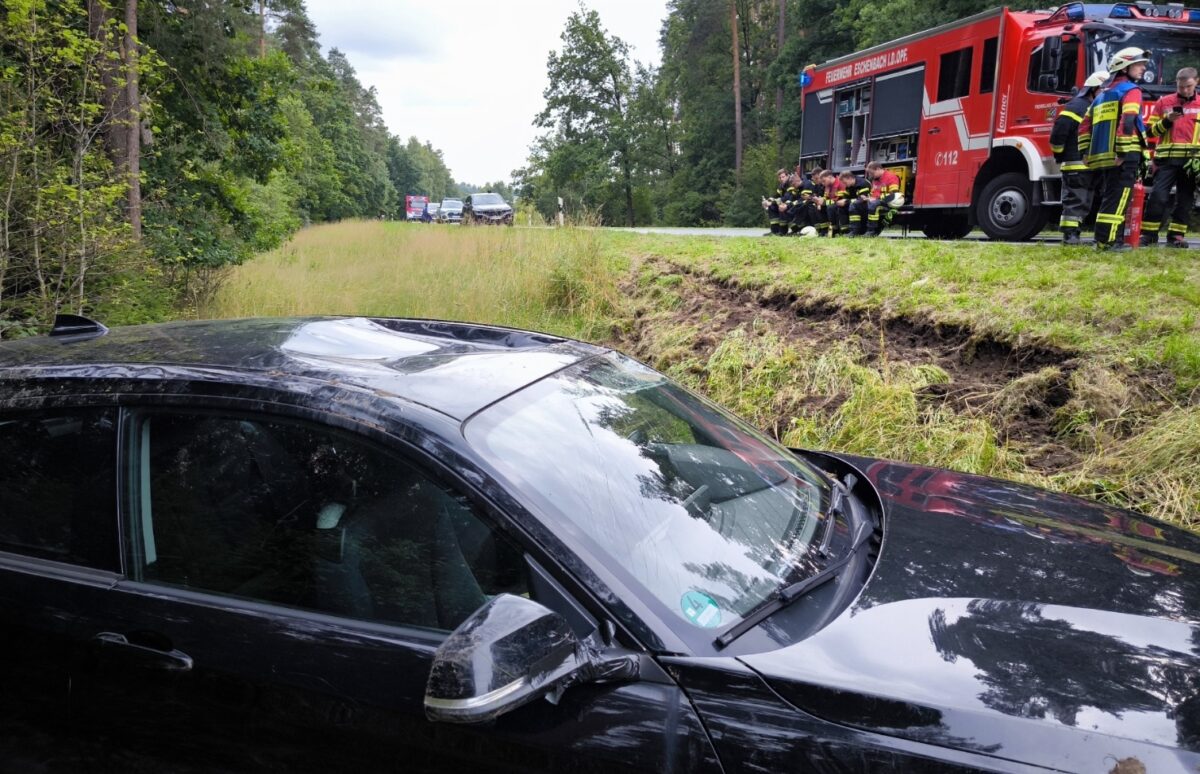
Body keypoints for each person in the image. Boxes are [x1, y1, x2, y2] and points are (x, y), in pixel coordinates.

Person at [1083, 47, 1150, 250]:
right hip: (1124, 155)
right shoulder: (1131, 90)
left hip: (1104, 155)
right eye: (1138, 64)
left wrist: (1084, 152)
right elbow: (1128, 120)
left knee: (1110, 197)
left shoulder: (1101, 95)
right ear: (1124, 67)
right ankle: (1110, 242)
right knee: (1120, 198)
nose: (1143, 68)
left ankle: (1103, 239)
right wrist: (1122, 152)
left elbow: (1084, 126)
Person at [1141, 67, 1199, 248]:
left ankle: (1176, 236)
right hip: (1166, 160)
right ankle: (1148, 235)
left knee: (1185, 200)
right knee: (1158, 197)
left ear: (1196, 82)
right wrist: (1167, 120)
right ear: (1176, 84)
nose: (1185, 90)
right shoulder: (1164, 102)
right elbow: (1149, 132)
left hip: (1191, 162)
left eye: (1188, 86)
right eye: (1181, 87)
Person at [1052, 70, 1109, 244]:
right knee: (1077, 201)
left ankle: (1075, 234)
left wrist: (1059, 154)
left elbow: (1058, 136)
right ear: (1093, 89)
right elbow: (1058, 134)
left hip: (1090, 164)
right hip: (1078, 163)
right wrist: (1061, 154)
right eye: (1103, 90)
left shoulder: (1090, 106)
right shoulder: (1077, 106)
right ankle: (1070, 236)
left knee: (1083, 201)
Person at [864, 161, 904, 236]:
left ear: (878, 169)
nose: (871, 175)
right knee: (858, 204)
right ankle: (858, 230)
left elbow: (893, 195)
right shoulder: (875, 179)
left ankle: (872, 231)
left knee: (873, 204)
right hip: (877, 201)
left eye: (872, 173)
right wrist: (868, 198)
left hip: (888, 203)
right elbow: (874, 193)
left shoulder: (891, 177)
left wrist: (876, 198)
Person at [839, 169, 873, 236]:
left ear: (849, 178)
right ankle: (845, 231)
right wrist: (842, 201)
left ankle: (855, 230)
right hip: (856, 204)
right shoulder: (849, 186)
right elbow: (846, 197)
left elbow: (862, 199)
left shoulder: (863, 184)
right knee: (841, 206)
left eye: (845, 182)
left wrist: (846, 201)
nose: (844, 184)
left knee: (854, 205)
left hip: (868, 204)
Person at [762, 168, 791, 235]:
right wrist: (767, 201)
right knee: (771, 207)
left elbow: (786, 197)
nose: (781, 179)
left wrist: (772, 202)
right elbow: (776, 195)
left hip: (790, 204)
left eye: (783, 177)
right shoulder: (781, 186)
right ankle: (774, 231)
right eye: (780, 177)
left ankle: (783, 231)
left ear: (787, 176)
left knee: (781, 206)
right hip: (784, 203)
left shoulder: (790, 184)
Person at [820, 170, 847, 236]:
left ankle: (835, 231)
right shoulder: (827, 186)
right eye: (822, 182)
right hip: (832, 204)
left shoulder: (840, 184)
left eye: (824, 181)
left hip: (842, 203)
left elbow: (839, 200)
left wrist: (824, 202)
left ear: (830, 177)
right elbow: (826, 197)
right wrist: (820, 202)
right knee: (820, 207)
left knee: (830, 207)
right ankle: (824, 230)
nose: (823, 183)